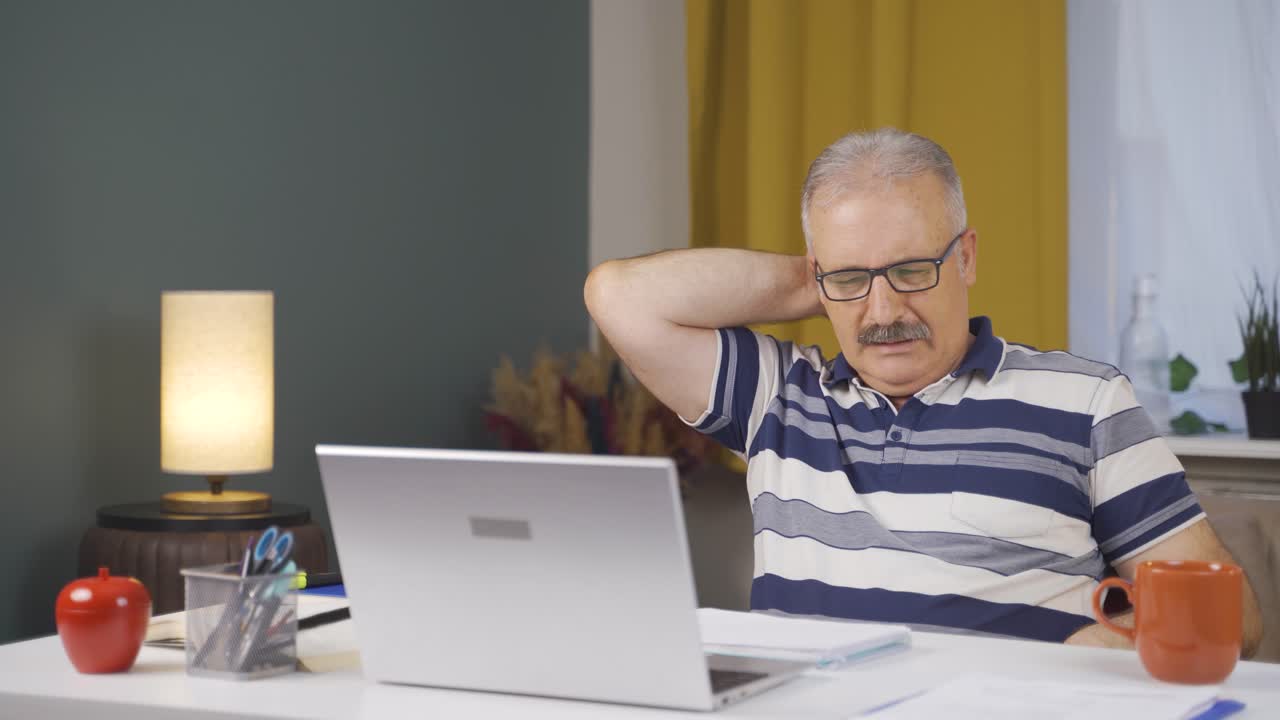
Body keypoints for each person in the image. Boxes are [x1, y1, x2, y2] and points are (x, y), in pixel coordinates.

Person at [584, 128, 1262, 653]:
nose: (882, 313)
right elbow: (619, 297)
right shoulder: (779, 396)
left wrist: (1082, 655)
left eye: (911, 270)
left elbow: (1233, 619)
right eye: (850, 281)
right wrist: (823, 279)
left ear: (965, 257)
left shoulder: (1085, 403)